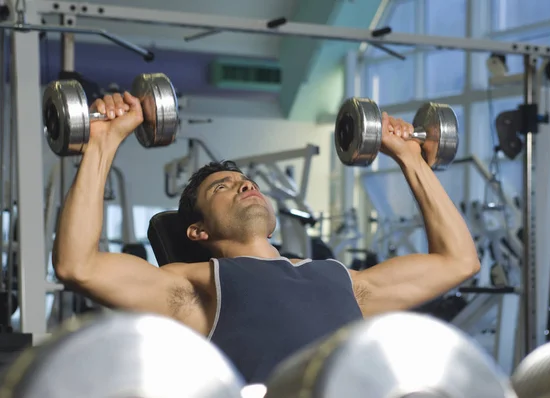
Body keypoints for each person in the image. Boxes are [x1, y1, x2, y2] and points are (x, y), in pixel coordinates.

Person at [53, 92, 481, 384]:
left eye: (245, 181)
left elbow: (458, 262)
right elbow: (78, 265)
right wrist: (102, 144)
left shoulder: (343, 280)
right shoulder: (196, 286)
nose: (243, 186)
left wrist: (411, 159)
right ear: (198, 231)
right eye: (221, 187)